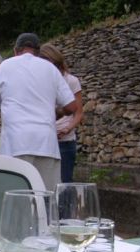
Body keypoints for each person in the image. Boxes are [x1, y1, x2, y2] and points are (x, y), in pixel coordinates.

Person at [0, 33, 77, 191]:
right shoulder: (50, 68)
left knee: (15, 200)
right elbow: (71, 107)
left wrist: (9, 112)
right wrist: (54, 112)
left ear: (15, 50)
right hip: (47, 145)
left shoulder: (5, 66)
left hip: (16, 144)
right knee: (46, 200)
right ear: (38, 51)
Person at [40, 43, 83, 182]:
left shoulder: (71, 81)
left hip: (65, 141)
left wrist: (67, 128)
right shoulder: (38, 82)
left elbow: (78, 112)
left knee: (64, 184)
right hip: (44, 140)